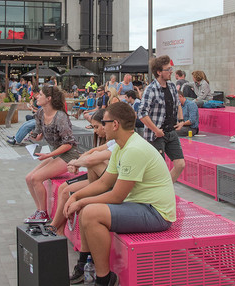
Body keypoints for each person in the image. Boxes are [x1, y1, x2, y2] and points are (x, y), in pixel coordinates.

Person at [64, 103, 176, 286]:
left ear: (115, 124)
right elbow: (104, 182)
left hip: (157, 213)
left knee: (90, 212)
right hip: (139, 205)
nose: (102, 126)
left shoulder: (134, 149)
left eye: (104, 123)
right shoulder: (121, 146)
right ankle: (84, 264)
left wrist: (81, 202)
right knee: (86, 210)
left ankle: (104, 278)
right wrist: (75, 197)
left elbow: (117, 197)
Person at [50, 109, 114, 236]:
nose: (95, 131)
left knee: (67, 192)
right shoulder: (112, 142)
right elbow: (91, 153)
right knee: (64, 188)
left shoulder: (121, 142)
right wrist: (78, 161)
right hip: (100, 179)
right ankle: (58, 230)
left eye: (96, 127)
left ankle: (53, 228)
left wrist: (76, 163)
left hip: (106, 182)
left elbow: (93, 158)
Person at [24, 86, 80, 222]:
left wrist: (48, 155)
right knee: (28, 178)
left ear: (48, 99)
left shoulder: (60, 117)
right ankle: (39, 210)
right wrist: (33, 137)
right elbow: (38, 134)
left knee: (36, 178)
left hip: (69, 155)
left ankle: (43, 213)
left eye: (40, 95)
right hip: (56, 154)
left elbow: (68, 144)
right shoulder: (40, 113)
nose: (37, 96)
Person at [138, 55, 185, 183]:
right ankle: (160, 191)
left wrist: (181, 121)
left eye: (171, 69)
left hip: (170, 132)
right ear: (159, 72)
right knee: (159, 169)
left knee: (180, 164)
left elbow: (178, 104)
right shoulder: (151, 89)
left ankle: (165, 189)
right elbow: (142, 113)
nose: (171, 72)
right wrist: (155, 130)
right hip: (156, 135)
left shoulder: (171, 87)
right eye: (168, 69)